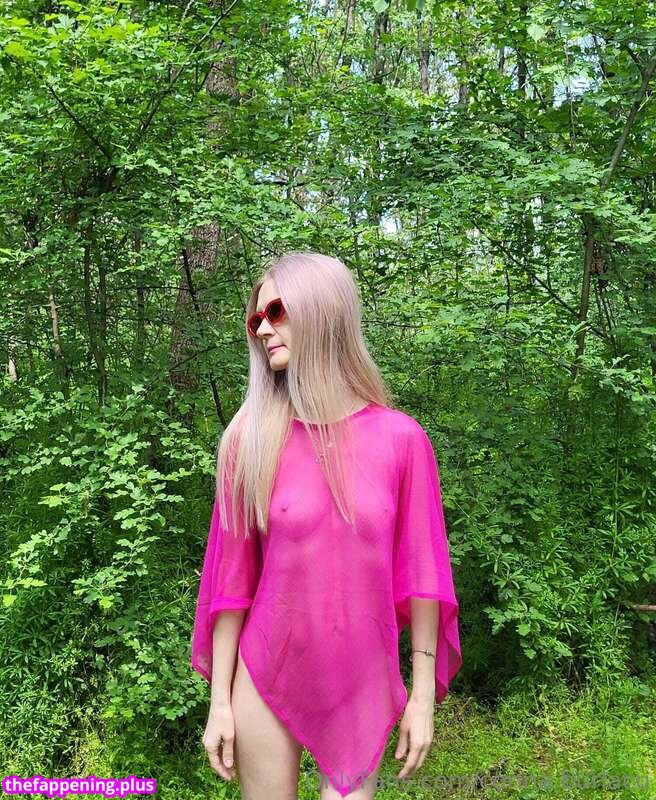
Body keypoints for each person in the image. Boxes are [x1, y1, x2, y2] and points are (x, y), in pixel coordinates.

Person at [190, 252, 462, 799]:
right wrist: (219, 701)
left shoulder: (402, 440)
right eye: (256, 317)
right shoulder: (250, 440)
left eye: (276, 311)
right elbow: (231, 584)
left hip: (362, 679)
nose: (262, 328)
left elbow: (423, 577)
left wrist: (422, 698)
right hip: (267, 668)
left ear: (321, 311)